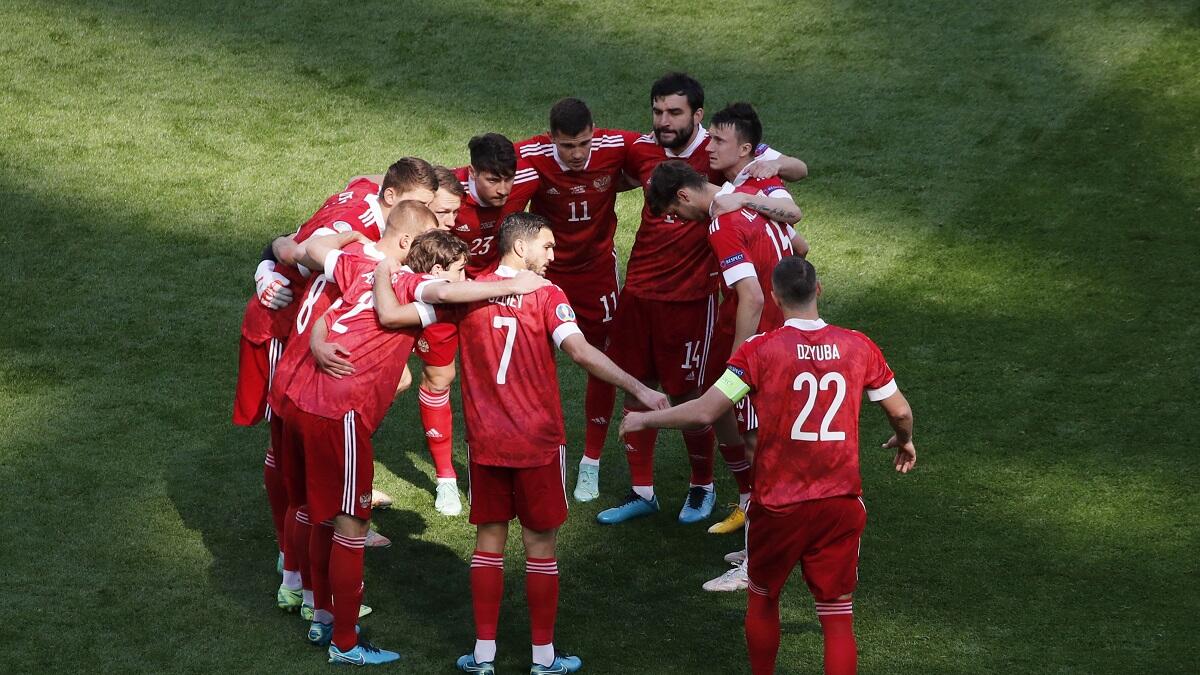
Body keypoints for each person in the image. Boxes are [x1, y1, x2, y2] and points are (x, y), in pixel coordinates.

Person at [374, 213, 668, 675]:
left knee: (488, 545)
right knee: (540, 548)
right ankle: (543, 658)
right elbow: (580, 352)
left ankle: (483, 656)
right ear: (520, 246)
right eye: (547, 246)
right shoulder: (546, 294)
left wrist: (380, 271)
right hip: (538, 443)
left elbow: (394, 315)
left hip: (486, 442)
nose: (553, 256)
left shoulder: (466, 293)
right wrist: (640, 388)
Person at [620, 256, 916, 675]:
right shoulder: (858, 345)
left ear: (774, 298)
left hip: (778, 505)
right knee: (836, 617)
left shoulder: (757, 350)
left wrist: (643, 420)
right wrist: (904, 440)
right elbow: (900, 411)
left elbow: (705, 412)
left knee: (762, 598)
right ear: (818, 290)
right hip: (840, 503)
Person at [279, 203, 548, 665]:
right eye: (459, 271)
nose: (463, 279)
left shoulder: (367, 266)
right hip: (339, 411)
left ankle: (321, 615)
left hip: (302, 398)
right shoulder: (417, 290)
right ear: (438, 268)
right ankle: (345, 643)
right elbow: (431, 294)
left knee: (322, 514)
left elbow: (319, 270)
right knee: (352, 524)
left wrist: (320, 334)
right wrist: (513, 284)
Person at [599, 72, 806, 525]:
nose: (664, 121)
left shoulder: (731, 188)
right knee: (733, 417)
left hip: (723, 318)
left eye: (674, 112)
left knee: (728, 413)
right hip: (651, 297)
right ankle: (746, 509)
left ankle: (749, 510)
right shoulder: (732, 187)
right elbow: (800, 244)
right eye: (657, 111)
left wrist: (739, 363)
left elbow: (794, 193)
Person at [233, 158, 438, 592]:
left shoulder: (367, 201)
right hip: (287, 333)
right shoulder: (358, 235)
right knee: (287, 452)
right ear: (392, 199)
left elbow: (346, 195)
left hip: (311, 340)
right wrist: (265, 268)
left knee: (306, 458)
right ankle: (296, 560)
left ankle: (306, 564)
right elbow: (293, 248)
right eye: (425, 205)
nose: (435, 215)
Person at [515, 98, 642, 502]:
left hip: (596, 273)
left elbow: (669, 151)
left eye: (584, 143)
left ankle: (591, 461)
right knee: (531, 358)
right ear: (551, 138)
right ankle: (535, 450)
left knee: (603, 360)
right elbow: (480, 173)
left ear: (594, 132)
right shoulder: (530, 154)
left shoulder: (615, 146)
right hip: (545, 271)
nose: (577, 154)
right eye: (567, 146)